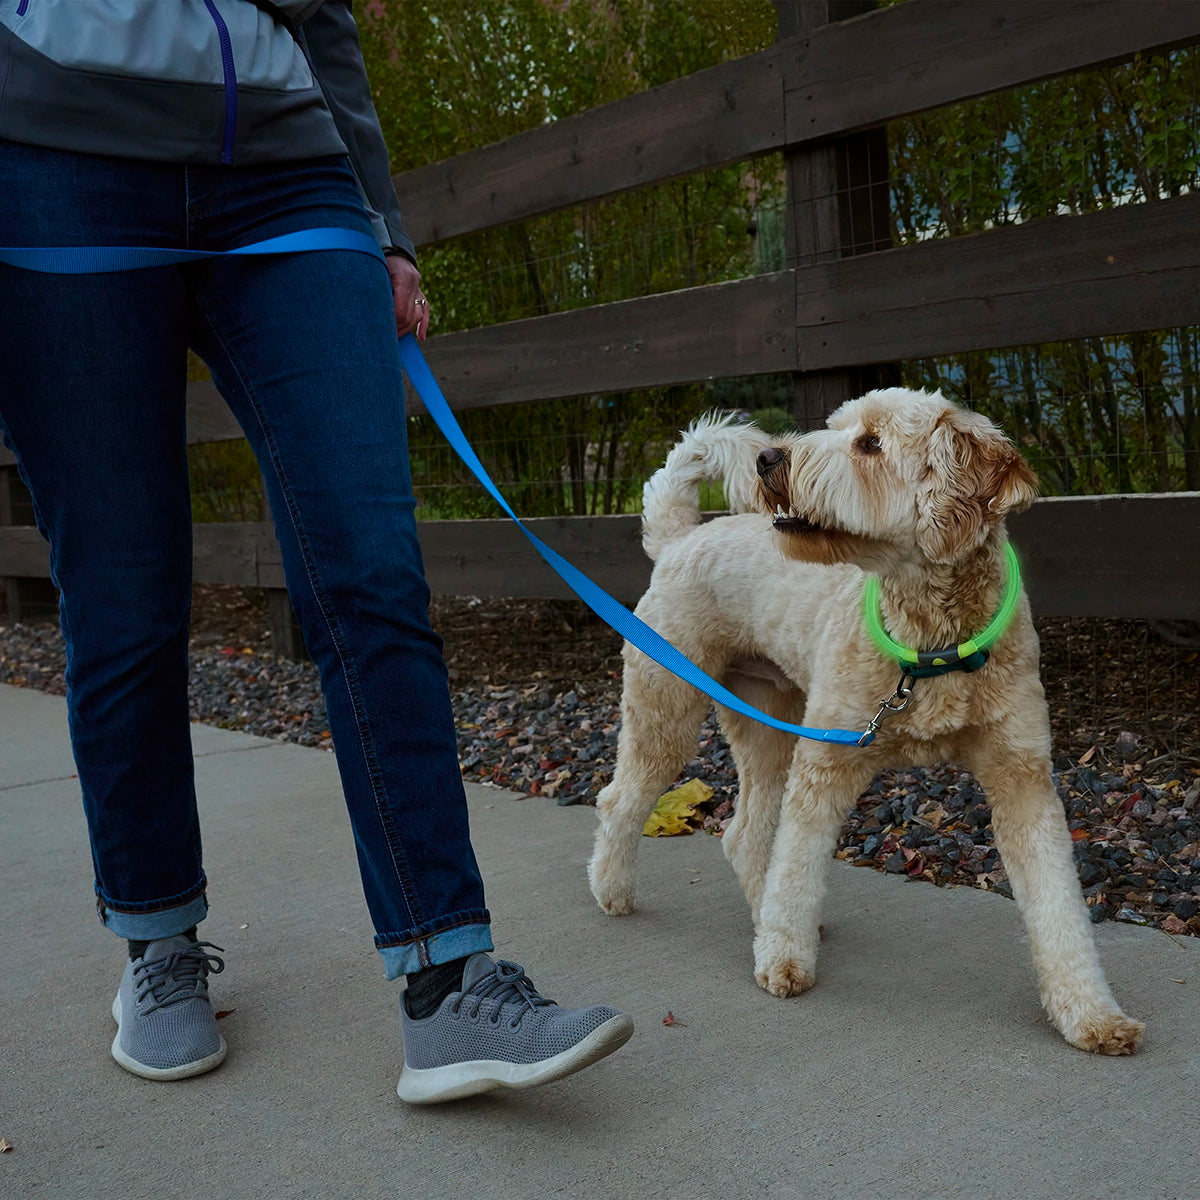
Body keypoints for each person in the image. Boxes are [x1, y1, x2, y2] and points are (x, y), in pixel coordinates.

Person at [0, 0, 632, 1105]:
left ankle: (448, 981)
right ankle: (156, 943)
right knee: (124, 588)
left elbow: (324, 17)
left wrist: (383, 222)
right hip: (57, 162)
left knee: (371, 569)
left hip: (289, 166)